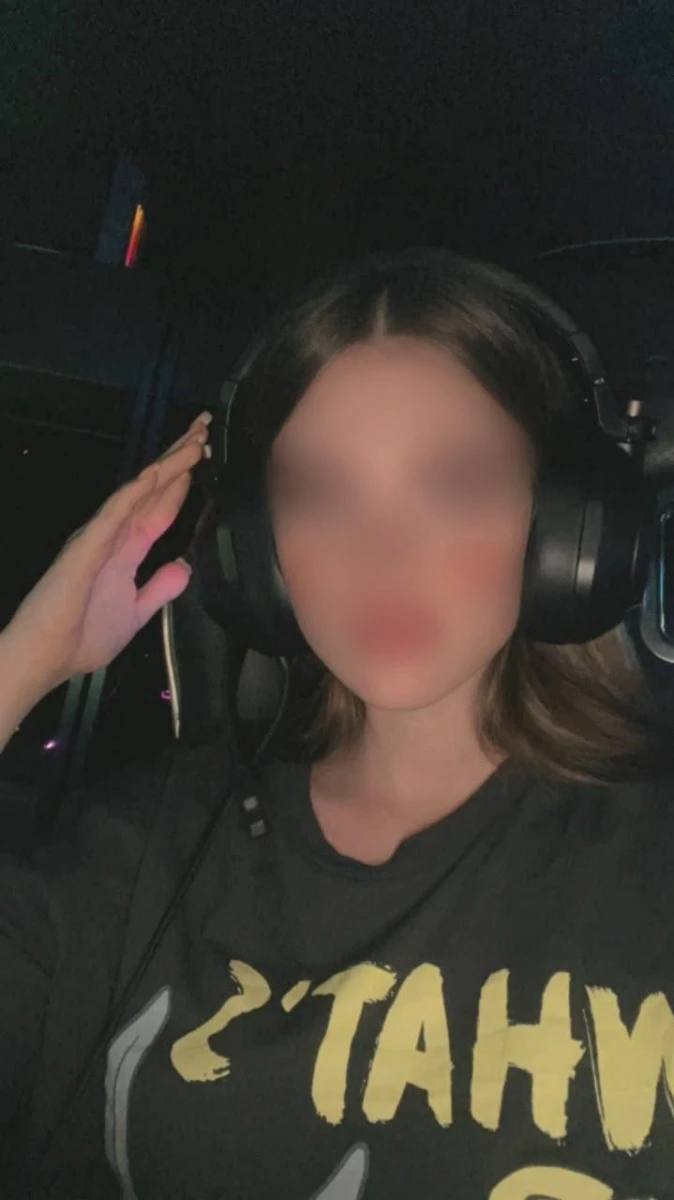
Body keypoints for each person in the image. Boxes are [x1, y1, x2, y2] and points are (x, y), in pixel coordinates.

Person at [0, 247, 672, 1200]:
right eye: (320, 494)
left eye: (453, 484)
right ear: (260, 553)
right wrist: (20, 665)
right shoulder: (145, 846)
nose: (378, 557)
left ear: (565, 528)